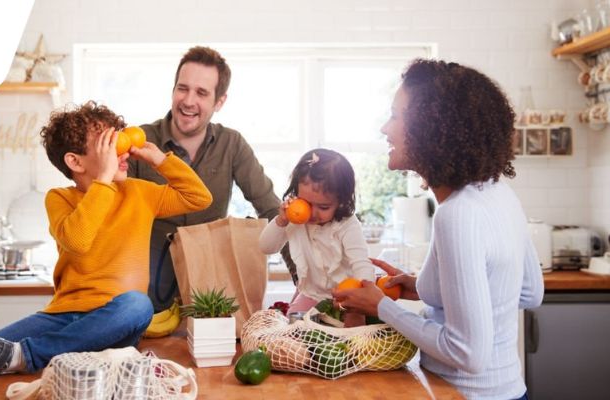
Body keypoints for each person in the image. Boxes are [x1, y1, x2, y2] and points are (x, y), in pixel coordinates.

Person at [0, 101, 212, 399]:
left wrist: (159, 159)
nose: (122, 150)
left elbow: (199, 198)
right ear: (76, 162)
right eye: (108, 144)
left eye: (118, 137)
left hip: (116, 322)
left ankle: (25, 355)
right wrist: (103, 181)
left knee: (138, 304)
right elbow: (78, 240)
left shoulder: (139, 192)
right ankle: (18, 355)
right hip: (64, 316)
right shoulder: (60, 198)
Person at [332, 59, 544, 400]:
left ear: (432, 127)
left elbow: (467, 355)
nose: (385, 129)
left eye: (396, 116)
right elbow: (528, 292)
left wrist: (381, 306)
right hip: (510, 392)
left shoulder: (457, 214)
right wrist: (430, 286)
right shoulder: (499, 192)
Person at [128, 46, 290, 313]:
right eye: (183, 88)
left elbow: (273, 211)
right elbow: (114, 216)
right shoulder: (140, 141)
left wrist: (302, 283)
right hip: (144, 295)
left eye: (202, 93)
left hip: (209, 296)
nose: (189, 101)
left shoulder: (232, 144)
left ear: (219, 102)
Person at [259, 148, 375, 320]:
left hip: (347, 298)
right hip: (311, 294)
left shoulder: (347, 224)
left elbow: (361, 264)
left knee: (353, 335)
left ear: (341, 202)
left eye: (323, 207)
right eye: (306, 203)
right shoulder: (295, 219)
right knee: (294, 329)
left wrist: (364, 298)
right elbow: (266, 247)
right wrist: (281, 221)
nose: (312, 213)